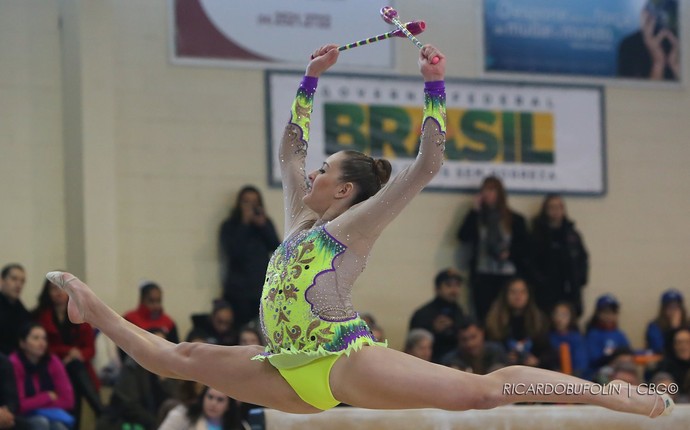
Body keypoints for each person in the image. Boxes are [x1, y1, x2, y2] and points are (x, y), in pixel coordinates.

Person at [44, 44, 672, 418]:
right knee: (180, 358)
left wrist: (433, 87)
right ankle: (87, 300)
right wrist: (309, 80)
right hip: (284, 367)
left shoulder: (354, 226)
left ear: (344, 190)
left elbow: (428, 164)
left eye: (324, 170)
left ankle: (618, 396)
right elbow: (289, 152)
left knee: (483, 394)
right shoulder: (299, 215)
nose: (310, 171)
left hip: (343, 360)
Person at [457, 176, 531, 323]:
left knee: (507, 314)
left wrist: (509, 254)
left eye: (491, 190)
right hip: (483, 275)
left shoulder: (514, 219)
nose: (487, 194)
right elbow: (463, 236)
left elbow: (526, 247)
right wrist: (474, 211)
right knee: (484, 315)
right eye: (485, 190)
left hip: (507, 274)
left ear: (499, 193)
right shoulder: (478, 217)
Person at [33, 276, 104, 426]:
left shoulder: (80, 314)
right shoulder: (41, 316)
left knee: (74, 372)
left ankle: (97, 414)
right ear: (48, 292)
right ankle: (102, 411)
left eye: (61, 288)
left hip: (77, 366)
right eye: (53, 289)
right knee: (75, 371)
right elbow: (42, 346)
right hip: (50, 366)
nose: (58, 292)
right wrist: (69, 352)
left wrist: (78, 354)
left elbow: (90, 349)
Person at [219, 185, 281, 328]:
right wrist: (244, 224)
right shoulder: (230, 226)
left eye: (255, 202)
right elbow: (234, 252)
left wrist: (263, 226)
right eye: (246, 202)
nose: (251, 206)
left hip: (261, 288)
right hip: (238, 291)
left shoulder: (264, 223)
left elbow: (276, 248)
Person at [97, 330, 179, 430]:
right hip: (126, 423)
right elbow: (129, 406)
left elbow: (176, 401)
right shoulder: (133, 365)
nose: (160, 349)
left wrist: (164, 381)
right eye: (155, 343)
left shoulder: (168, 369)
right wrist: (157, 424)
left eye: (163, 344)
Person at [530, 194, 588, 316]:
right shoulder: (537, 235)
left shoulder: (572, 235)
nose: (555, 211)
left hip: (570, 288)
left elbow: (583, 259)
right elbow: (530, 262)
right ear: (545, 210)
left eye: (559, 207)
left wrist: (580, 280)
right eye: (552, 207)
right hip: (545, 291)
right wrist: (540, 281)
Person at [9, 323, 74, 430]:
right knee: (41, 422)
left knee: (59, 426)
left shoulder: (53, 361)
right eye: (35, 338)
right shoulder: (14, 363)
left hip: (49, 414)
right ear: (22, 343)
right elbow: (18, 405)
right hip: (20, 417)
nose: (42, 343)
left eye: (44, 338)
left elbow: (68, 401)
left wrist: (36, 405)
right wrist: (47, 397)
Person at [484, 278, 556, 370]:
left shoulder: (539, 320)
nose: (518, 296)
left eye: (522, 292)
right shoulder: (494, 321)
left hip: (534, 371)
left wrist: (538, 360)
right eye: (513, 292)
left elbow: (549, 352)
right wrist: (505, 358)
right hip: (504, 371)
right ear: (505, 295)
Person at [408, 269, 465, 362]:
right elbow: (413, 344)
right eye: (449, 285)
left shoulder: (460, 312)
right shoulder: (423, 314)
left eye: (457, 285)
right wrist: (433, 329)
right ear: (437, 289)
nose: (454, 290)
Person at [617, 0, 680, 80]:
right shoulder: (629, 45)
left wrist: (676, 66)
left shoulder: (681, 44)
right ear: (644, 14)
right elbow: (632, 91)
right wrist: (658, 62)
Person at [585, 294, 631, 380]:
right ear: (598, 313)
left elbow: (628, 352)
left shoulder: (619, 334)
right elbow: (594, 360)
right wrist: (613, 358)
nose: (609, 316)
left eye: (613, 312)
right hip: (597, 374)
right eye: (606, 312)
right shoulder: (593, 335)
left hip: (619, 371)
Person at [440, 318, 507, 375]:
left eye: (473, 337)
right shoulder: (451, 360)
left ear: (482, 333)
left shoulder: (495, 350)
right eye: (464, 339)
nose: (470, 344)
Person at [158, 386, 242, 430]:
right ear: (203, 398)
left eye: (220, 400)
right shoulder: (183, 413)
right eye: (210, 397)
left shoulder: (236, 425)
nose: (213, 403)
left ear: (229, 406)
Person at [548, 302, 587, 377]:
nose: (559, 318)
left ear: (571, 317)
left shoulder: (577, 338)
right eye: (556, 314)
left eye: (564, 315)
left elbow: (581, 362)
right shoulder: (549, 337)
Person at [0, 264, 31, 355]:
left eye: (22, 281)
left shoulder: (23, 312)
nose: (19, 284)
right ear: (2, 280)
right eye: (14, 279)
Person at [653, 327, 690, 400]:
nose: (683, 346)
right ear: (674, 346)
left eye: (687, 342)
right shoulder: (665, 367)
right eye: (679, 342)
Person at [646, 289, 687, 354]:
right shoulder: (655, 326)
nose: (673, 311)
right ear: (663, 310)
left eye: (676, 307)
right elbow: (659, 348)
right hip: (665, 362)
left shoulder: (687, 324)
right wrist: (674, 329)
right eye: (670, 307)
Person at [1, 352, 29, 430]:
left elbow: (12, 398)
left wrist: (6, 413)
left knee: (24, 425)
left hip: (2, 413)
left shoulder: (3, 362)